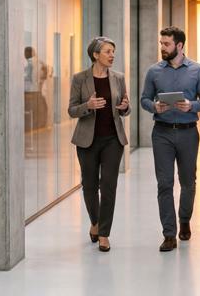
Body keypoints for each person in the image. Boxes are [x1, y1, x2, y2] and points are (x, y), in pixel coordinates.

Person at [140, 26, 200, 252]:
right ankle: (169, 234)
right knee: (165, 184)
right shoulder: (154, 71)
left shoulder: (197, 70)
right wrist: (154, 106)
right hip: (161, 132)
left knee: (188, 182)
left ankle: (184, 220)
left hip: (189, 132)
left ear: (179, 46)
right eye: (161, 43)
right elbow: (144, 99)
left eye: (166, 44)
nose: (162, 47)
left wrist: (192, 105)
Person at [68, 37, 130, 252]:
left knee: (109, 186)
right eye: (107, 51)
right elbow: (71, 110)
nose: (112, 55)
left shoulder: (118, 78)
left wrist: (124, 107)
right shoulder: (79, 79)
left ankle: (104, 234)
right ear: (95, 55)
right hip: (87, 141)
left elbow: (125, 108)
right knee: (90, 185)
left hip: (113, 140)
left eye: (113, 51)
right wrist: (88, 105)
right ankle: (95, 222)